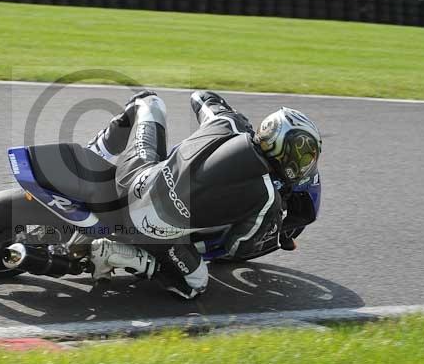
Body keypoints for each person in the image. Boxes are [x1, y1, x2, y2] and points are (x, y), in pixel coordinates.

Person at [86, 90, 322, 299]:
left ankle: (91, 155)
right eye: (303, 156)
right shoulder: (268, 195)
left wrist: (229, 111)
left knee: (148, 102)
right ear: (285, 150)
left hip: (135, 176)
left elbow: (201, 97)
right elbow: (238, 247)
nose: (304, 164)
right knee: (196, 283)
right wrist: (273, 225)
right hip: (149, 230)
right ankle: (112, 252)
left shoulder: (227, 121)